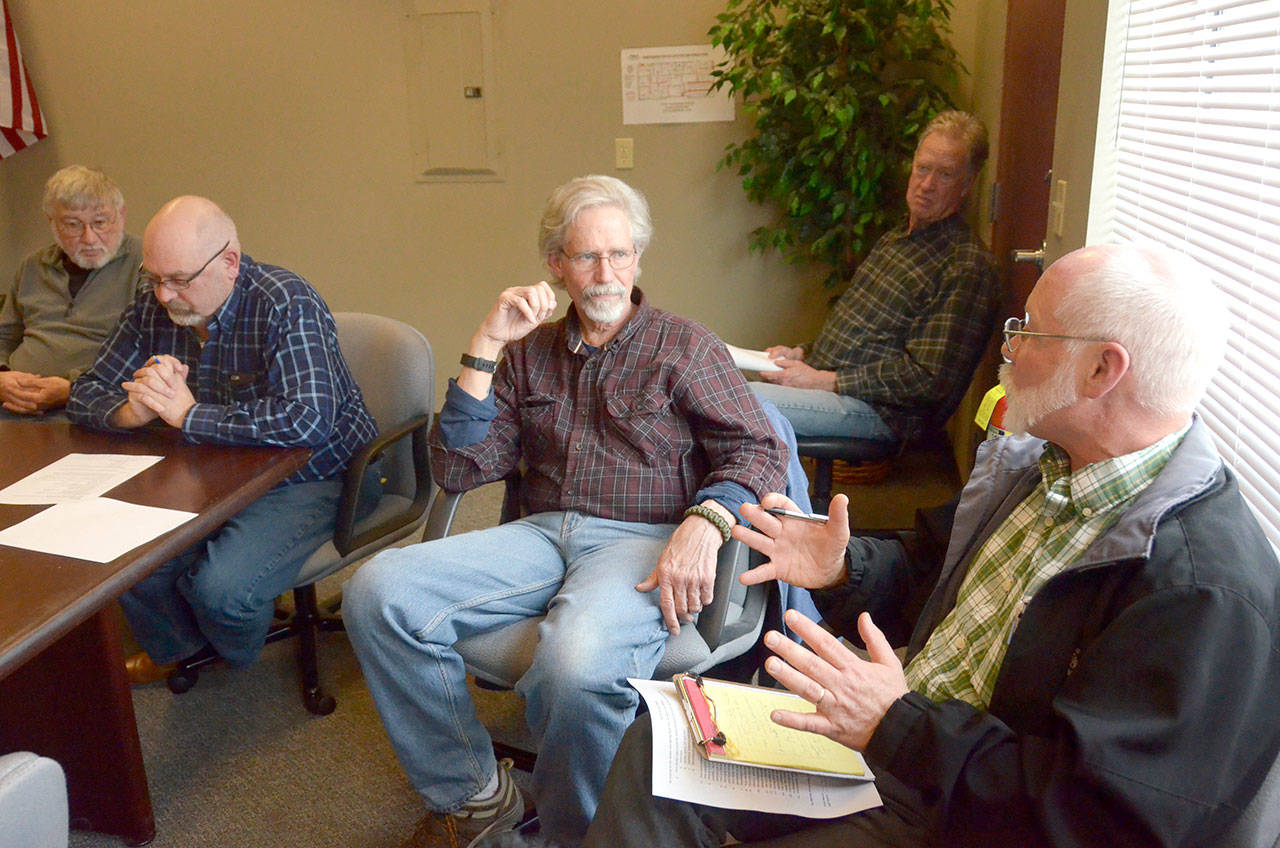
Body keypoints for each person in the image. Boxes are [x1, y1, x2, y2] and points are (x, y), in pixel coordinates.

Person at [585, 243, 1280, 847]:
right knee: (661, 745)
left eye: (1030, 331)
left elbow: (1090, 820)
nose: (1010, 349)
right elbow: (934, 575)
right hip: (908, 744)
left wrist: (898, 725)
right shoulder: (1048, 468)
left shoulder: (1199, 591)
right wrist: (845, 568)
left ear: (1103, 370)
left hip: (961, 812)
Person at [343, 175, 786, 847]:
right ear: (556, 264)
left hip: (640, 541)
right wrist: (486, 342)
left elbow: (758, 446)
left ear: (638, 258)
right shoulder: (527, 354)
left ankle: (577, 835)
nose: (605, 274)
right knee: (376, 590)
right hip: (539, 537)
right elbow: (459, 468)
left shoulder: (685, 346)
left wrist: (708, 520)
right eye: (586, 256)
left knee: (575, 667)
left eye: (619, 254)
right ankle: (476, 795)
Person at [67, 195, 378, 685]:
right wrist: (129, 411)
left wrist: (189, 415)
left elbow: (308, 422)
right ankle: (180, 649)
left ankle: (230, 656)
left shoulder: (284, 301)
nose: (163, 295)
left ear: (229, 262)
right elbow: (85, 390)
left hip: (318, 474)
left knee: (221, 591)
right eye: (154, 278)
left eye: (179, 280)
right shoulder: (152, 306)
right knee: (126, 556)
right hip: (213, 472)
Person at [751, 110, 1000, 444]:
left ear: (967, 183)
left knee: (735, 402)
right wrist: (802, 354)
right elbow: (860, 335)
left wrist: (823, 380)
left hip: (883, 413)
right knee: (717, 386)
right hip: (838, 389)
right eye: (923, 169)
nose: (927, 185)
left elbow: (928, 380)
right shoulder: (897, 238)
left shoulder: (967, 265)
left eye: (945, 175)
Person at [0, 165, 146, 416]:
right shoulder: (33, 266)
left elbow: (151, 353)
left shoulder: (147, 264)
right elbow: (5, 336)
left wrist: (73, 388)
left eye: (100, 222)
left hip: (96, 407)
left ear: (121, 215)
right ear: (52, 223)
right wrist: (2, 377)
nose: (89, 238)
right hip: (13, 402)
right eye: (72, 225)